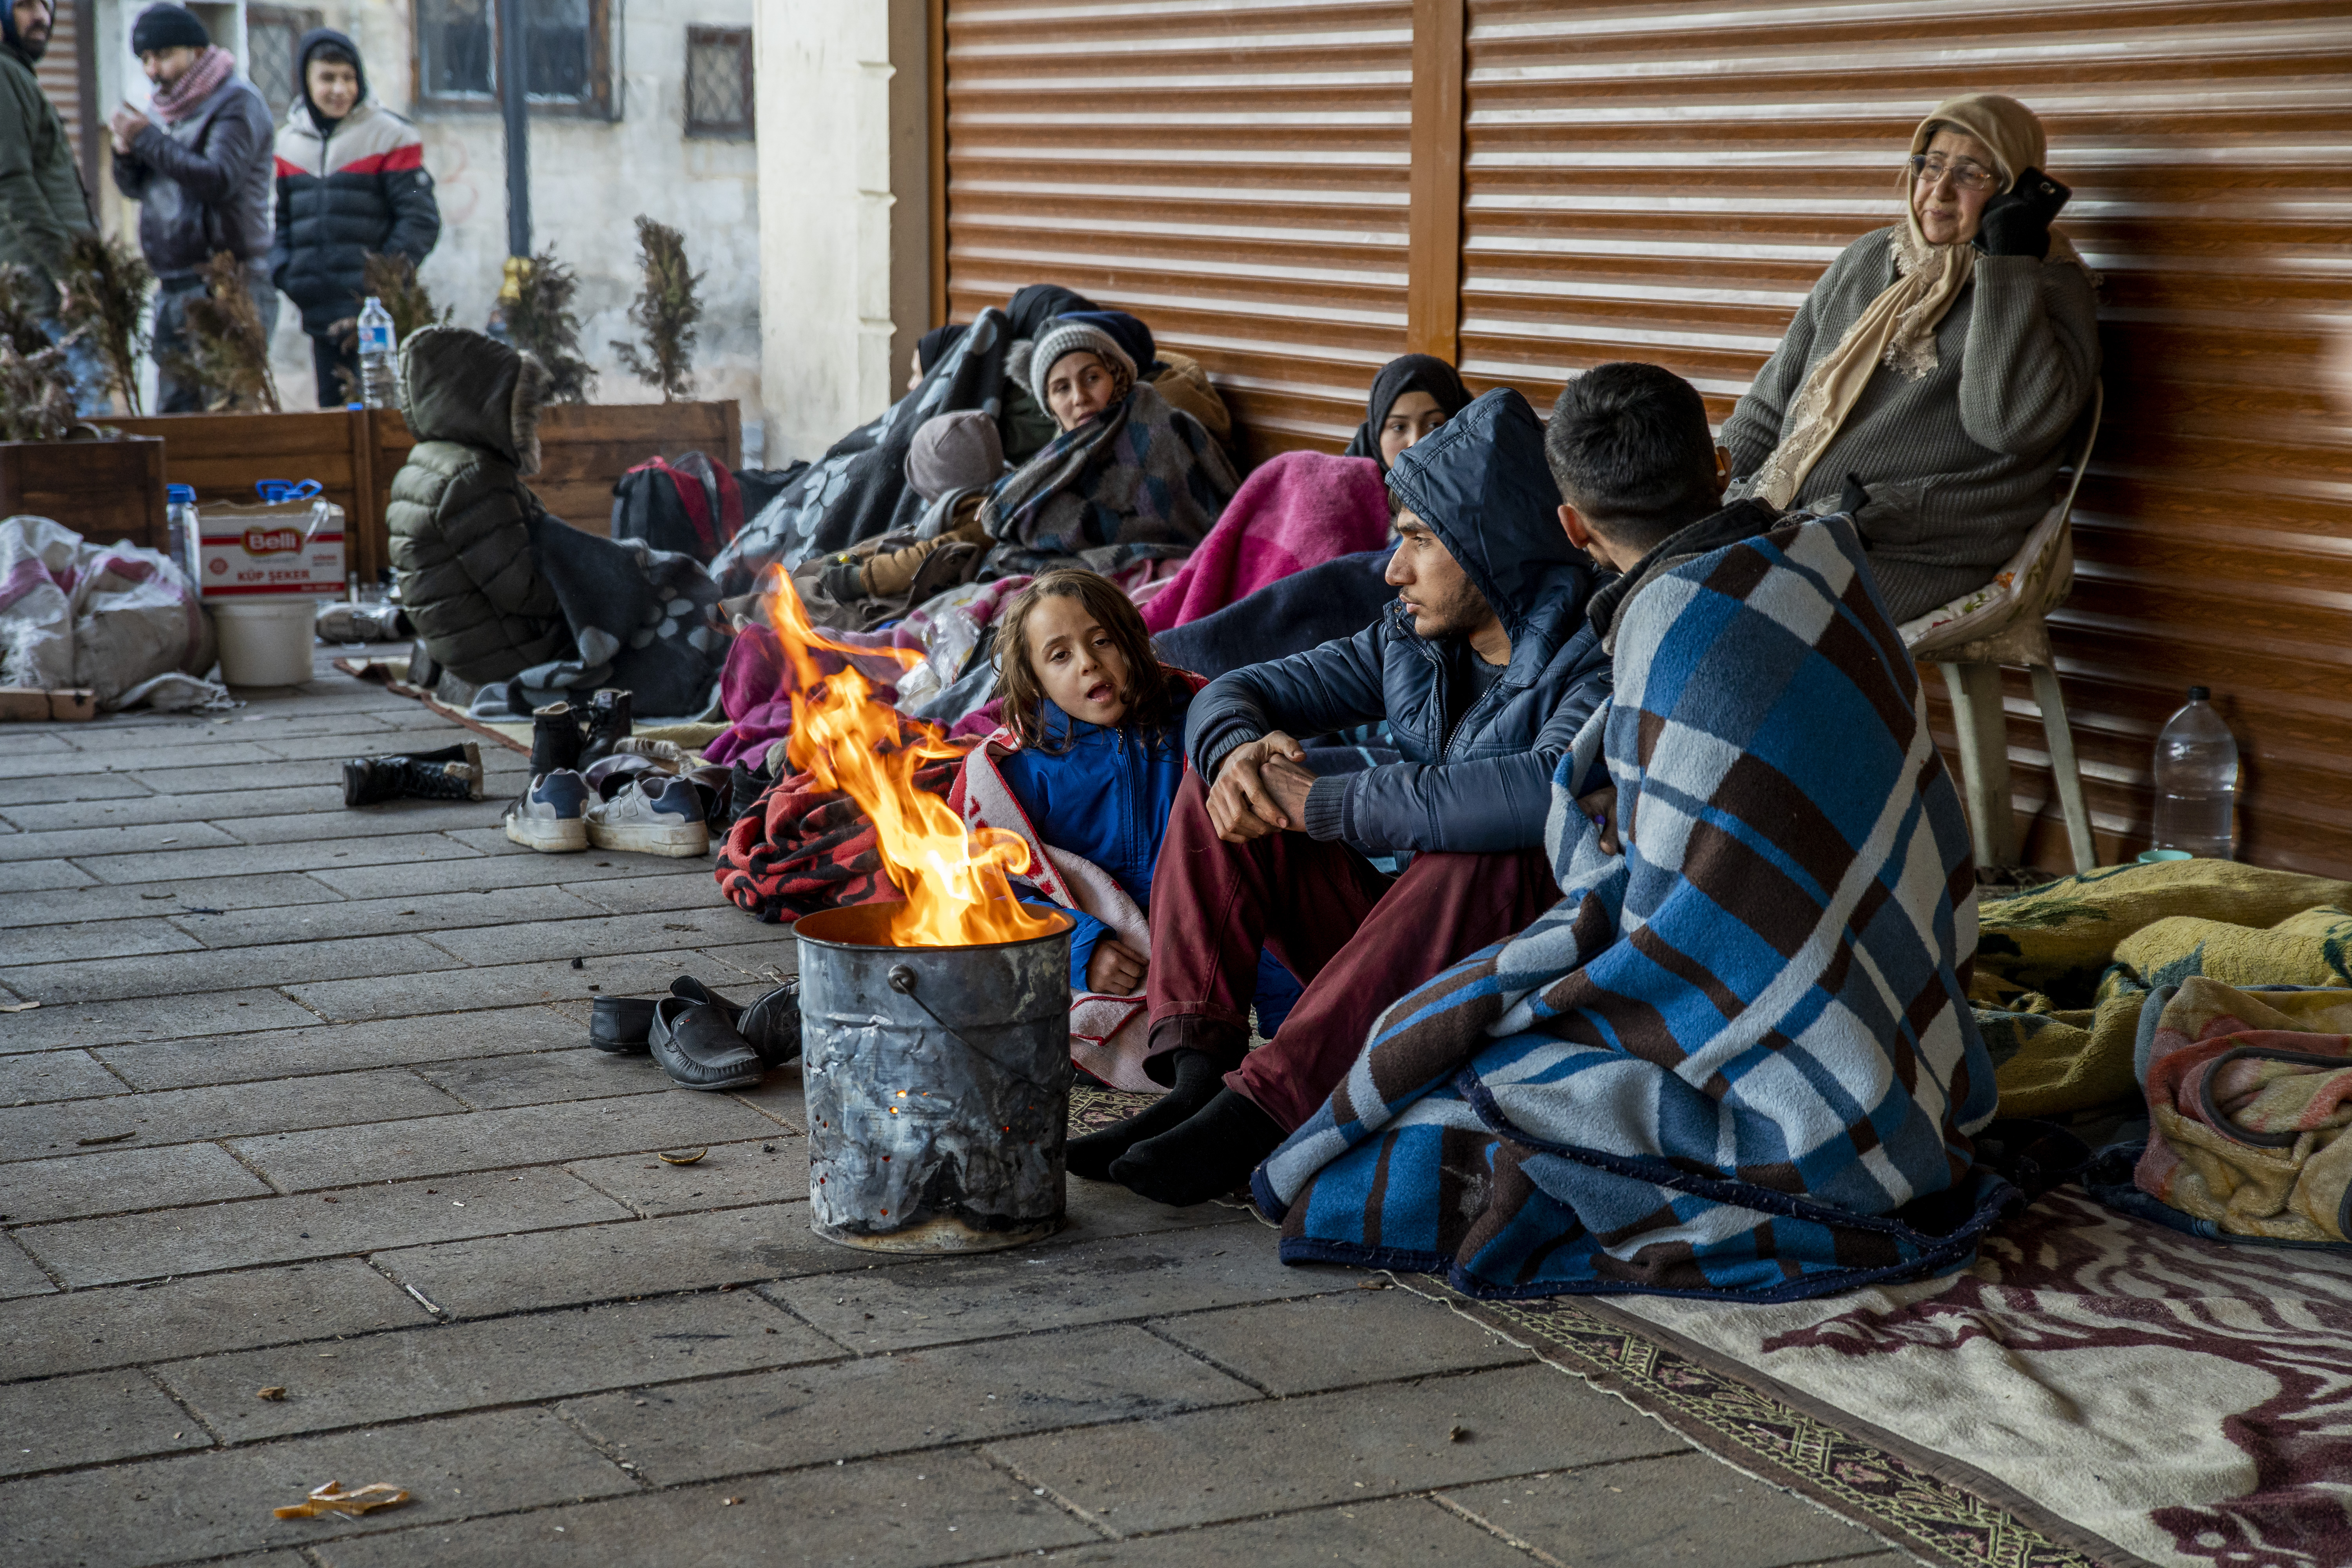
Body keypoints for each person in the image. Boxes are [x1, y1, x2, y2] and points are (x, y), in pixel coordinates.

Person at [1256, 361, 2001, 1301]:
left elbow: (1666, 919)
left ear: (1572, 524)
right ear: (1724, 466)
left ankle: (1269, 1102)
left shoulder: (1663, 624)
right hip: (1908, 1026)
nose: (1398, 568)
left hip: (1785, 1076)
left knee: (1465, 1071)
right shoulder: (1832, 570)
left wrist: (1580, 856)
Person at [1072, 386, 1613, 1205]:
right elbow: (1230, 690)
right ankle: (1195, 1077)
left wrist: (1319, 800)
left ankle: (1263, 1111)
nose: (1393, 570)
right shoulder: (1410, 637)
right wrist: (1239, 756)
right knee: (1224, 781)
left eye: (1419, 542)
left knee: (1483, 855)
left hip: (1514, 986)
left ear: (1487, 545)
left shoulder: (1591, 652)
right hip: (1401, 962)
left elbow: (1539, 791)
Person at [1719, 93, 2098, 623]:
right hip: (1795, 525)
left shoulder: (2050, 286)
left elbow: (2008, 425)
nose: (1939, 190)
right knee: (1642, 578)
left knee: (1733, 613)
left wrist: (2008, 265)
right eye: (1931, 166)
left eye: (1970, 175)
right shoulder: (1872, 259)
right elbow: (1768, 407)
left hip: (1916, 547)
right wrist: (1703, 487)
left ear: (2014, 188)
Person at [947, 570, 1301, 1089]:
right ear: (1034, 679)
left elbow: (1257, 847)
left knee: (1306, 988)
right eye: (1060, 656)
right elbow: (986, 896)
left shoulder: (1195, 723)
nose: (1089, 662)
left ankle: (1276, 1062)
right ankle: (1183, 1074)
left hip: (1210, 931)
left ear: (1133, 644)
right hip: (1109, 956)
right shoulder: (1018, 772)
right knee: (1001, 1014)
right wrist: (1080, 950)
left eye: (1102, 641)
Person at [980, 316, 1239, 578]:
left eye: (1092, 378)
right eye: (1062, 389)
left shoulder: (1167, 428)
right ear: (1049, 404)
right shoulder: (1058, 458)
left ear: (1115, 375)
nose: (1080, 398)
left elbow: (1221, 518)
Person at [109, 5, 276, 413]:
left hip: (226, 285)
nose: (153, 70)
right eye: (146, 60)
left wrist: (146, 140)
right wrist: (125, 153)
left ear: (198, 52)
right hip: (173, 287)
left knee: (227, 415)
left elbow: (218, 178)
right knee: (175, 422)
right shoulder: (162, 112)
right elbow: (136, 188)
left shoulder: (236, 104)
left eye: (164, 56)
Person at [269, 27, 439, 407]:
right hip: (320, 318)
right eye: (327, 78)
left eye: (349, 78)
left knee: (385, 424)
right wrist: (286, 272)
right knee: (335, 426)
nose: (339, 89)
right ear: (306, 83)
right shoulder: (289, 145)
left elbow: (421, 219)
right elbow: (279, 223)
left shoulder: (394, 137)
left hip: (380, 320)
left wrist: (381, 285)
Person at [0, 0, 103, 411]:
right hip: (47, 297)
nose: (41, 15)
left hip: (46, 290)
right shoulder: (4, 74)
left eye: (47, 3)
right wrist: (68, 272)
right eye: (25, 4)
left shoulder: (16, 74)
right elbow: (11, 184)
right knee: (85, 428)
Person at [1341, 353, 1473, 472]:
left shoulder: (1484, 492)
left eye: (1434, 425)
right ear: (1376, 435)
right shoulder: (1346, 494)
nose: (1415, 444)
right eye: (1399, 427)